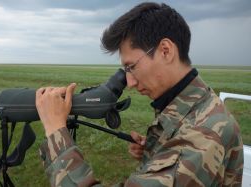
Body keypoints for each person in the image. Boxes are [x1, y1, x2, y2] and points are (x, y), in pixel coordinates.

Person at [36, 2, 243, 186]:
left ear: (165, 51)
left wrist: (56, 132)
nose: (130, 83)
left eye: (131, 66)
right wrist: (156, 151)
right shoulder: (198, 107)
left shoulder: (202, 136)